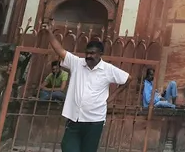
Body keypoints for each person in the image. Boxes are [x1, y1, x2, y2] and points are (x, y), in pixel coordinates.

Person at [42, 24, 129, 152]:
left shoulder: (108, 69)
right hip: (74, 118)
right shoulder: (77, 63)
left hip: (95, 121)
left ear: (100, 54)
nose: (89, 56)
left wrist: (113, 96)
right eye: (87, 53)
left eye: (92, 53)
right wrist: (49, 32)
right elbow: (59, 50)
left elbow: (128, 79)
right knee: (68, 147)